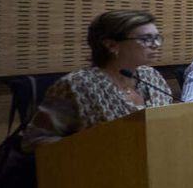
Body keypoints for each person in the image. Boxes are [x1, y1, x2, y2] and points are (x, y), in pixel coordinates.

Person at [24, 10, 174, 149]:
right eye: (146, 39)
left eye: (157, 38)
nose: (156, 45)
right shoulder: (77, 85)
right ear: (111, 45)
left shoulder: (152, 76)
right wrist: (90, 148)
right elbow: (33, 141)